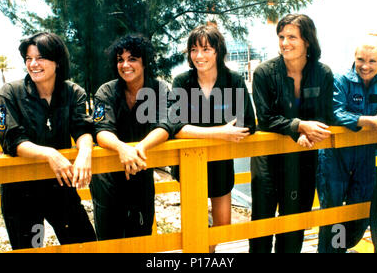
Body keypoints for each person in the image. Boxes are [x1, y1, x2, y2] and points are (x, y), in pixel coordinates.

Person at [0, 32, 96, 249]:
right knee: (30, 248)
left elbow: (83, 128)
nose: (33, 64)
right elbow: (11, 139)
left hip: (60, 185)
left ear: (57, 61)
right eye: (29, 58)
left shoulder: (73, 92)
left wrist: (85, 152)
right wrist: (50, 153)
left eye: (40, 57)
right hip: (21, 191)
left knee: (84, 245)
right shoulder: (8, 94)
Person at [249, 14, 334, 253]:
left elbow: (326, 114)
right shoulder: (264, 73)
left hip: (303, 155)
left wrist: (308, 129)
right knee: (262, 223)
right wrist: (299, 126)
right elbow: (265, 118)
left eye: (292, 37)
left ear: (307, 40)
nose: (284, 42)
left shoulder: (323, 73)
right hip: (268, 157)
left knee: (295, 222)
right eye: (281, 37)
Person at [169, 24, 256, 253]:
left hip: (220, 162)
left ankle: (209, 248)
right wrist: (220, 132)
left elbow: (247, 123)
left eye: (206, 49)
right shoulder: (182, 82)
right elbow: (175, 126)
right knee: (194, 225)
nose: (199, 56)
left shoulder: (233, 80)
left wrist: (195, 129)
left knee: (223, 225)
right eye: (194, 50)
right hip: (190, 162)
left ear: (218, 51)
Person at [317, 33, 377, 253]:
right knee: (334, 213)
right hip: (336, 155)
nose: (365, 66)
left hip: (365, 154)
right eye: (360, 59)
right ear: (354, 57)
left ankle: (345, 245)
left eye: (372, 61)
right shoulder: (340, 79)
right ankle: (333, 252)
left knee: (363, 209)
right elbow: (334, 113)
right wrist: (369, 121)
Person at [90, 34, 172, 240]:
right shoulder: (105, 91)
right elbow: (101, 130)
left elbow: (167, 124)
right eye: (120, 59)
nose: (125, 65)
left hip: (141, 170)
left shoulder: (160, 89)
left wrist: (140, 148)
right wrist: (122, 148)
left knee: (141, 236)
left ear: (144, 61)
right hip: (107, 177)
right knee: (110, 241)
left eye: (132, 58)